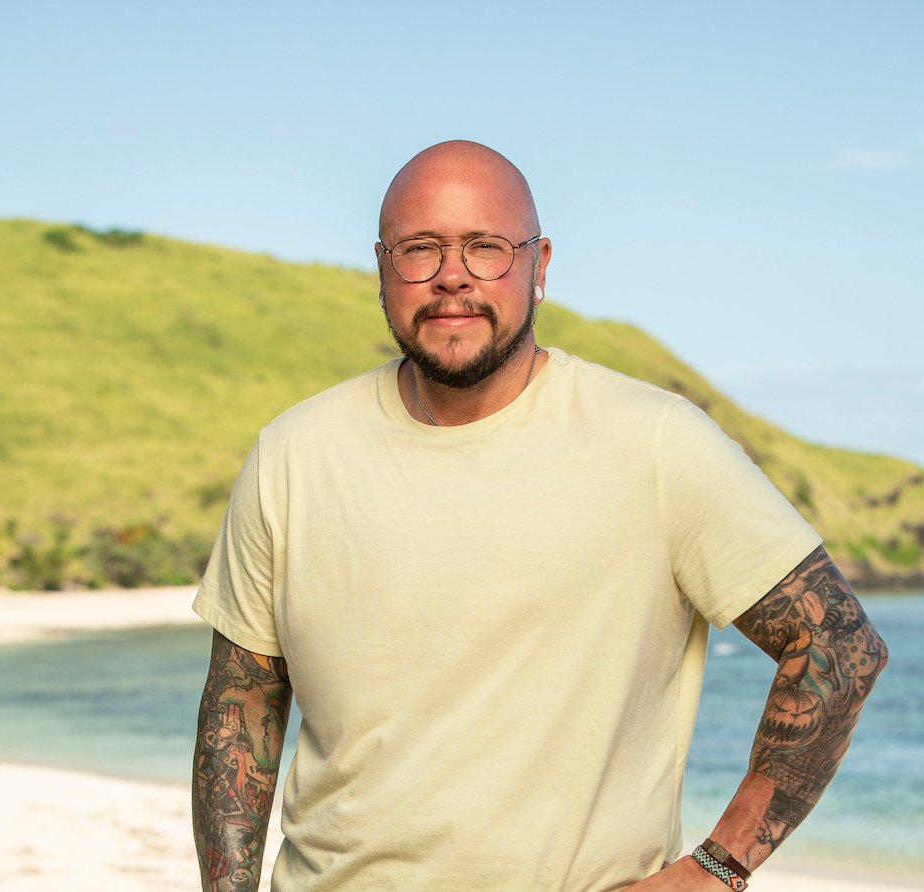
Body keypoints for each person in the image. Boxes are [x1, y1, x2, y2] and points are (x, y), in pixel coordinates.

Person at [192, 140, 888, 892]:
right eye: (419, 248)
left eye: (486, 248)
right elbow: (244, 703)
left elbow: (839, 647)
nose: (451, 275)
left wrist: (718, 867)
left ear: (541, 265)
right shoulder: (292, 453)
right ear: (382, 268)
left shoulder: (655, 443)